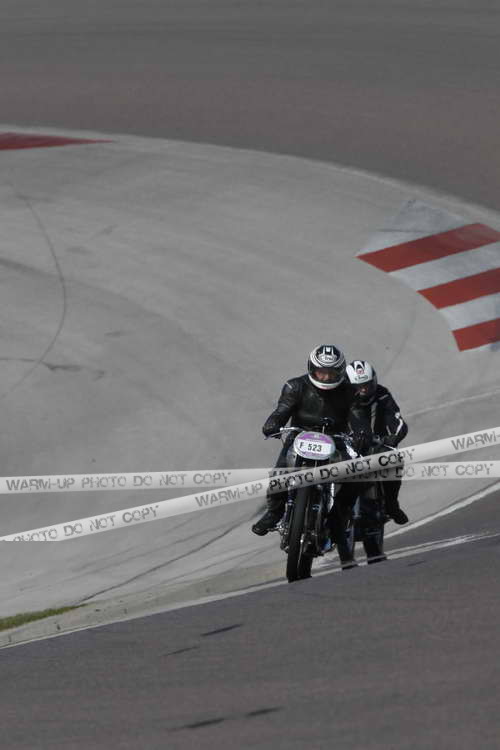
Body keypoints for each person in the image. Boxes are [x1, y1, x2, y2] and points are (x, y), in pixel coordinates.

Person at [251, 344, 363, 569]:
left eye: (331, 373)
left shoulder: (350, 392)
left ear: (340, 371)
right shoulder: (295, 386)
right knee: (279, 473)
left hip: (335, 439)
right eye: (322, 372)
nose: (326, 377)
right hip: (300, 437)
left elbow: (358, 418)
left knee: (354, 477)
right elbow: (282, 410)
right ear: (312, 368)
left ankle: (340, 518)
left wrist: (362, 433)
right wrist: (273, 424)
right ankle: (274, 513)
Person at [346, 360, 409, 525]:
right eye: (358, 386)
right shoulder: (341, 397)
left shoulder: (383, 395)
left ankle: (391, 505)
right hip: (346, 443)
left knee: (395, 459)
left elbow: (397, 420)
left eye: (367, 384)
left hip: (375, 444)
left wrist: (393, 437)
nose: (364, 389)